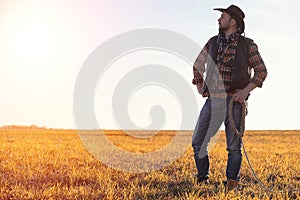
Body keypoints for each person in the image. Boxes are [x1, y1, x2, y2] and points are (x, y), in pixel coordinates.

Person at [192, 5, 267, 191]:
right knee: (198, 142)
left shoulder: (247, 45)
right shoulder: (212, 42)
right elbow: (197, 65)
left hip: (235, 101)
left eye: (222, 17)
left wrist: (245, 91)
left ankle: (232, 184)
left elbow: (261, 72)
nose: (219, 20)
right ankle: (203, 179)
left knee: (233, 147)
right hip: (213, 100)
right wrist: (201, 86)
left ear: (233, 22)